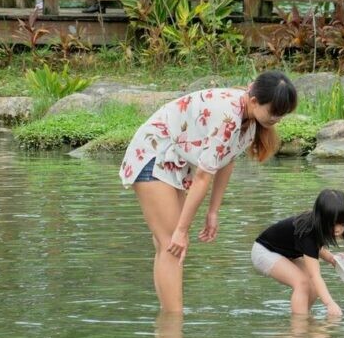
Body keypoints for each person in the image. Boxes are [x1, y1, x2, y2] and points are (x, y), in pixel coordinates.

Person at [120, 71, 298, 313]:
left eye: (282, 115)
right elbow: (203, 176)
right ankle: (173, 326)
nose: (277, 119)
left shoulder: (248, 121)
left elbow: (226, 160)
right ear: (255, 101)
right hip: (154, 151)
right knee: (172, 244)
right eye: (273, 113)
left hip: (176, 161)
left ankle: (168, 324)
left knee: (169, 245)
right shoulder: (227, 116)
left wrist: (213, 211)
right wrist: (182, 231)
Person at [251, 189, 344, 316]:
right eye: (333, 224)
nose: (338, 229)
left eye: (342, 224)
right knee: (302, 283)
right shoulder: (308, 232)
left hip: (284, 253)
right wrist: (330, 304)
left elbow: (314, 247)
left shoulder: (316, 226)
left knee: (314, 287)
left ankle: (305, 316)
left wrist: (331, 258)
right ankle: (298, 328)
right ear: (321, 219)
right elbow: (315, 275)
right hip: (264, 252)